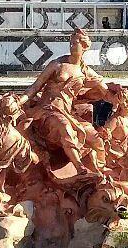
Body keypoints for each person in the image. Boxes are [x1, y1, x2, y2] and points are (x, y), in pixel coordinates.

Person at [14, 29, 116, 174]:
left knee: (95, 137)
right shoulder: (57, 64)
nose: (72, 46)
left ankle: (101, 169)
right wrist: (20, 101)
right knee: (64, 127)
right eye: (71, 43)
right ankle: (79, 168)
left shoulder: (85, 71)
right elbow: (35, 87)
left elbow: (106, 91)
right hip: (47, 110)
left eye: (75, 43)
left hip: (68, 113)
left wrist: (119, 97)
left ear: (84, 47)